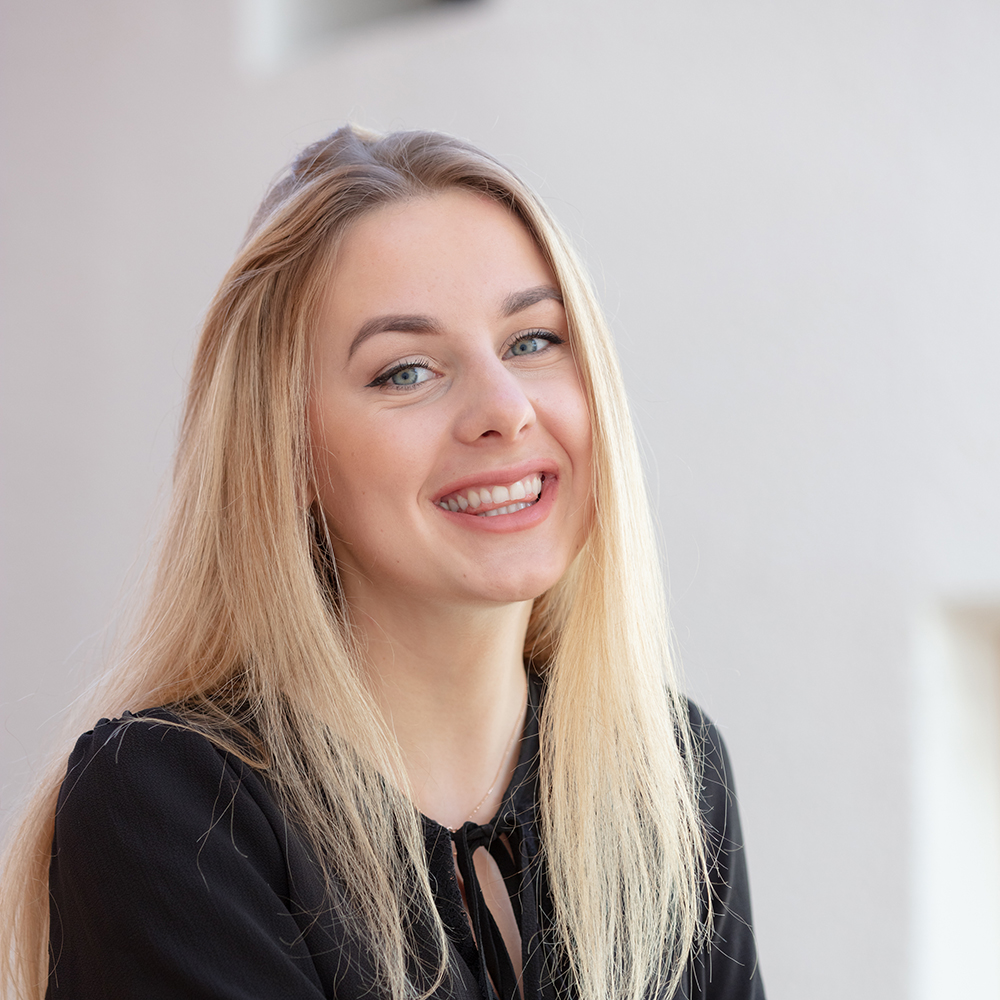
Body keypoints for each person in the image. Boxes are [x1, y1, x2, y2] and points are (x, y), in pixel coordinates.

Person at [0, 126, 764, 1000]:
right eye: (406, 371)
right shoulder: (175, 811)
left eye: (533, 341)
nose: (505, 410)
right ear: (285, 451)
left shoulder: (669, 775)